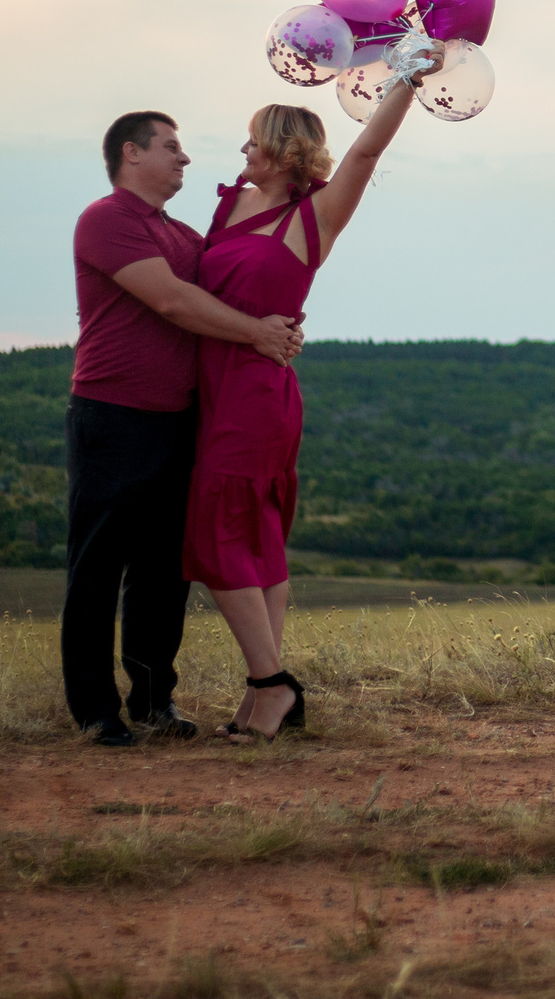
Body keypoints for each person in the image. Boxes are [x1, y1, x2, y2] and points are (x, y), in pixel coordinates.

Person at [186, 61, 434, 742]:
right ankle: (263, 691)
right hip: (214, 386)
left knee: (220, 531)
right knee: (253, 540)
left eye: (250, 141)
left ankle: (272, 688)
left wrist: (406, 80)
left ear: (279, 149)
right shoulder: (230, 203)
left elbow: (367, 150)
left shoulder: (314, 214)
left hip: (259, 396)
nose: (240, 152)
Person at [66, 110, 307, 748]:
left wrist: (275, 325)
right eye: (171, 147)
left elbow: (225, 296)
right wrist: (259, 333)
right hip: (113, 413)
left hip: (181, 418)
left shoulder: (181, 233)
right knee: (97, 565)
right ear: (130, 153)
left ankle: (153, 701)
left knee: (162, 571)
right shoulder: (106, 219)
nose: (186, 159)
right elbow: (174, 301)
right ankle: (95, 710)